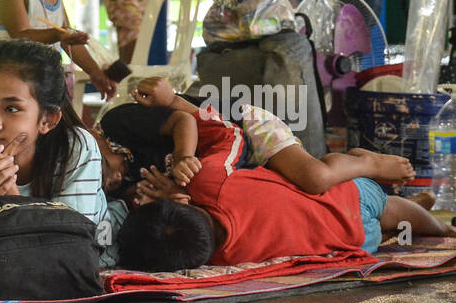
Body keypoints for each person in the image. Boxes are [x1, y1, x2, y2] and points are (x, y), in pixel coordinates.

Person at [0, 40, 120, 265]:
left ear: (48, 119)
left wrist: (11, 200)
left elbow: (71, 252)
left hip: (90, 266)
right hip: (4, 266)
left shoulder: (76, 148)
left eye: (12, 109)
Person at [119, 158, 456, 271]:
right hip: (349, 198)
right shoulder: (210, 180)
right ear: (183, 202)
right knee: (388, 207)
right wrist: (180, 174)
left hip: (354, 243)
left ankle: (419, 206)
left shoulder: (224, 260)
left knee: (384, 229)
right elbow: (225, 135)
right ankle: (441, 229)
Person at [132, 76, 414, 193]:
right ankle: (400, 206)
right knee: (297, 198)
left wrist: (170, 99)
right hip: (228, 160)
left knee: (314, 179)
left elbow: (194, 116)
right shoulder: (122, 183)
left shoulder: (124, 127)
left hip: (247, 126)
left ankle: (368, 162)